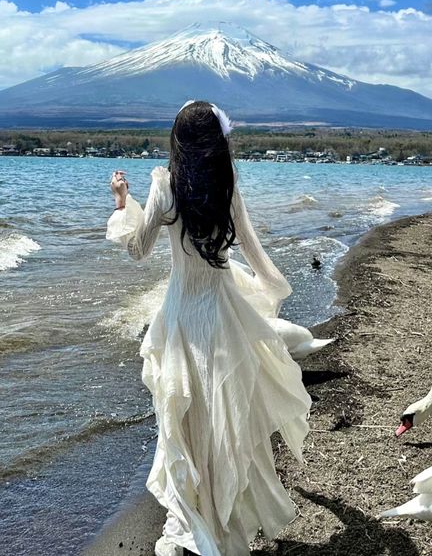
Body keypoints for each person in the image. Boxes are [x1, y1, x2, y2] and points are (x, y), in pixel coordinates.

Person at [107, 100, 313, 556]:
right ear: (218, 143)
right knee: (224, 423)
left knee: (182, 423)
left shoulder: (164, 187)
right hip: (221, 317)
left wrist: (124, 204)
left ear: (176, 143)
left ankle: (189, 521)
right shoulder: (227, 184)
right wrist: (270, 288)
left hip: (182, 318)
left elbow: (138, 249)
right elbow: (255, 253)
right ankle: (218, 522)